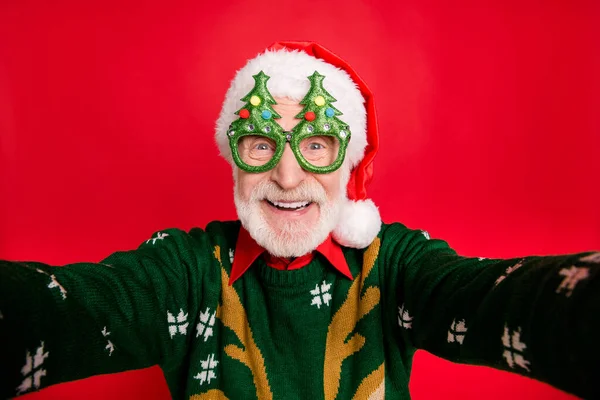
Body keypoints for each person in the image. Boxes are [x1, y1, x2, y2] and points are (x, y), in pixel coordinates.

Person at [1, 41, 598, 400]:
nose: (287, 178)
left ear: (352, 162)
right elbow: (72, 310)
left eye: (316, 145)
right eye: (260, 143)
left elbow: (499, 300)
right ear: (231, 155)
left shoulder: (393, 266)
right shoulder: (186, 272)